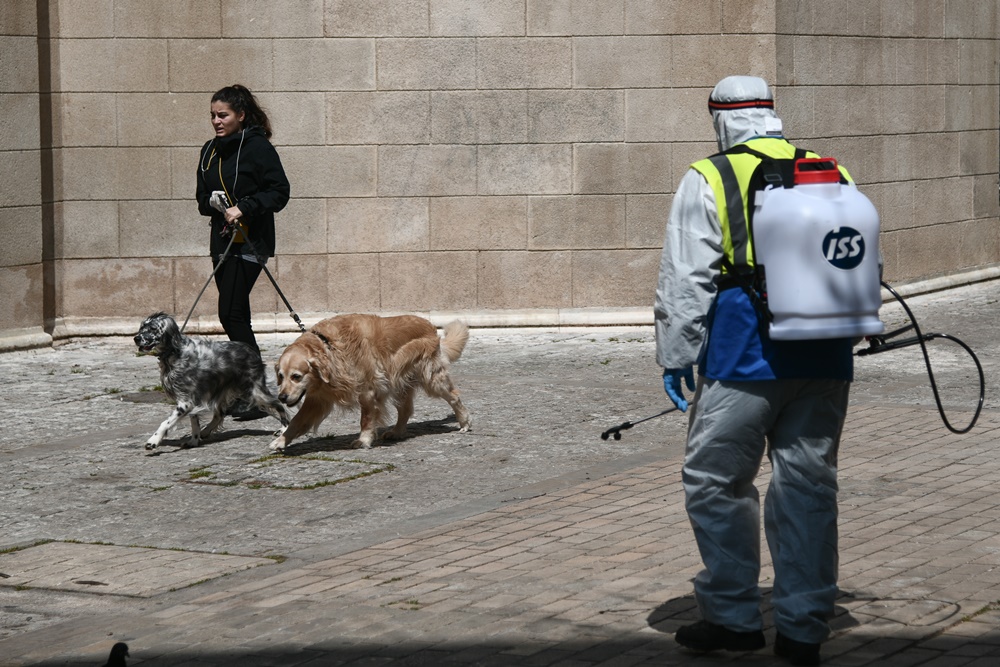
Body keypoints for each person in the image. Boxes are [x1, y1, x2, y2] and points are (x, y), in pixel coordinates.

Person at [654, 76, 859, 666]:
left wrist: (676, 352)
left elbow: (685, 278)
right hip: (824, 354)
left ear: (720, 119)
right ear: (770, 113)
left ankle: (733, 616)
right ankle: (803, 630)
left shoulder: (711, 176)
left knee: (715, 482)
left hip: (745, 356)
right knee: (808, 486)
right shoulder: (828, 168)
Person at [196, 84, 289, 421]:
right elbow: (200, 199)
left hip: (251, 242)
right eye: (213, 116)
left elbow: (279, 192)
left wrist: (244, 207)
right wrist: (215, 204)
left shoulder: (258, 148)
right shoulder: (209, 151)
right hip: (222, 243)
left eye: (223, 115)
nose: (216, 121)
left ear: (241, 115)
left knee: (232, 313)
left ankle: (255, 391)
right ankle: (250, 388)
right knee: (233, 314)